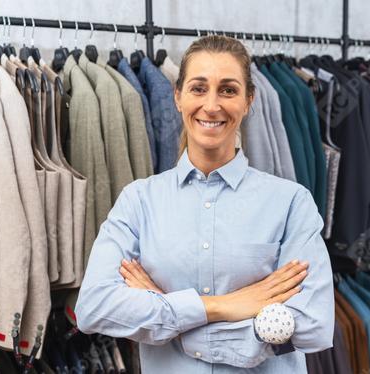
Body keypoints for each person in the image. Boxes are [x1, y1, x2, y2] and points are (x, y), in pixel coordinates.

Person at [75, 35, 334, 373]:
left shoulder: (290, 203)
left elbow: (313, 324)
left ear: (248, 100)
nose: (212, 105)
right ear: (178, 96)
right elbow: (94, 307)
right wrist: (226, 307)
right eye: (199, 88)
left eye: (228, 90)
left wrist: (176, 322)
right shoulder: (138, 202)